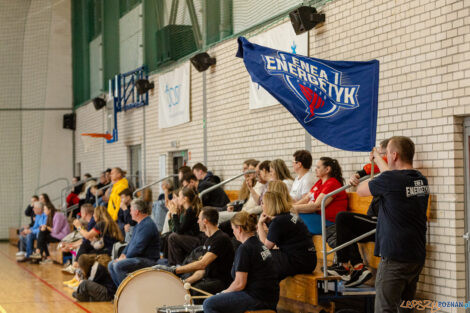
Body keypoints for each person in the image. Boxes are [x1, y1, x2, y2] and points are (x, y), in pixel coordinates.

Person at [357, 136, 429, 313]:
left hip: (395, 257)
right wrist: (378, 158)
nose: (386, 157)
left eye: (387, 153)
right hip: (416, 255)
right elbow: (391, 176)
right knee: (405, 307)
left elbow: (360, 191)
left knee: (385, 308)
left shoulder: (390, 180)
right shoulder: (420, 179)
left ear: (394, 155)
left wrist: (370, 169)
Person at [327, 139, 389, 287]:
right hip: (373, 219)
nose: (375, 159)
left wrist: (377, 159)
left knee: (343, 218)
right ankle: (358, 267)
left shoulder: (391, 173)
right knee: (345, 226)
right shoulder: (384, 171)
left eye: (380, 155)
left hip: (381, 222)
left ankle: (343, 265)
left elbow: (362, 191)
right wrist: (357, 174)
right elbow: (369, 168)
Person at [203, 211, 279, 313]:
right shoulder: (259, 245)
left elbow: (239, 284)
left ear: (239, 229)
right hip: (269, 297)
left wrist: (223, 293)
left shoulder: (245, 248)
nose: (233, 233)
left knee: (209, 304)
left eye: (233, 229)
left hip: (258, 298)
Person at [155, 207, 235, 296]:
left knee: (193, 291)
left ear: (205, 221)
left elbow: (202, 264)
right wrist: (184, 282)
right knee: (183, 288)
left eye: (199, 219)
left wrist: (174, 270)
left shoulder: (220, 239)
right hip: (209, 279)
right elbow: (202, 270)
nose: (197, 222)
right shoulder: (209, 239)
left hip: (221, 282)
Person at [257, 191, 316, 280]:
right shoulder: (290, 215)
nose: (261, 205)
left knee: (261, 255)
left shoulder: (278, 221)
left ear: (270, 205)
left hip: (299, 261)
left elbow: (265, 247)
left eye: (263, 203)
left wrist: (260, 224)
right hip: (309, 260)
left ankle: (263, 289)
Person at [108, 199, 160, 287]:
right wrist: (123, 254)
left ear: (137, 212)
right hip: (138, 258)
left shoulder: (147, 225)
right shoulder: (139, 224)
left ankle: (129, 291)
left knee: (118, 266)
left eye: (131, 210)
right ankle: (121, 293)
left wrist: (126, 257)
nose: (130, 213)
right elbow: (130, 244)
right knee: (111, 265)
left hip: (148, 259)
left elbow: (138, 247)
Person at [292, 157, 348, 235]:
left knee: (293, 219)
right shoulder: (319, 182)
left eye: (318, 167)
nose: (315, 169)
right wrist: (289, 207)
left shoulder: (332, 183)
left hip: (329, 223)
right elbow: (306, 199)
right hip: (317, 218)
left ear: (327, 169)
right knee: (290, 217)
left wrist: (293, 208)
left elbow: (317, 206)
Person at [167, 187, 203, 265]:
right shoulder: (187, 211)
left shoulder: (191, 211)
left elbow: (179, 230)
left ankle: (180, 266)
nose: (178, 199)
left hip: (197, 240)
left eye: (179, 196)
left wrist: (174, 214)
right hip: (191, 238)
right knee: (170, 236)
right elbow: (177, 229)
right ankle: (171, 264)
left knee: (172, 237)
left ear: (185, 199)